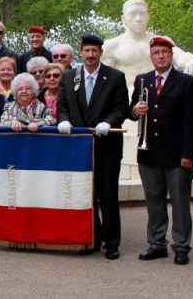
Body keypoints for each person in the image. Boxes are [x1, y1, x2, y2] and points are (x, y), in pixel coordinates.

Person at [56, 34, 129, 260]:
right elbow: (62, 104)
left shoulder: (115, 77)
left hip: (106, 146)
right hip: (79, 147)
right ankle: (91, 239)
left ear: (100, 53)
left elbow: (121, 107)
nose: (90, 55)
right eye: (86, 50)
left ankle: (112, 242)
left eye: (94, 51)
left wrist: (110, 121)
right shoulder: (69, 77)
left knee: (107, 196)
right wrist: (63, 119)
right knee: (85, 196)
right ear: (80, 52)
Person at [128, 37, 193, 265]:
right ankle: (157, 244)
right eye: (156, 52)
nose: (160, 56)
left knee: (180, 203)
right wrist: (134, 109)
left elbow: (191, 121)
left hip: (177, 154)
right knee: (154, 201)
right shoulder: (142, 80)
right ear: (151, 56)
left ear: (171, 55)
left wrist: (188, 154)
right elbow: (131, 111)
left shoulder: (186, 82)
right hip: (149, 153)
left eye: (165, 52)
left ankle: (181, 246)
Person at [102, 0, 193, 97]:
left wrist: (192, 59)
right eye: (132, 15)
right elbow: (105, 84)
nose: (138, 19)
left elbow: (180, 56)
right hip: (128, 104)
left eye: (142, 14)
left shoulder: (162, 42)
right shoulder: (112, 46)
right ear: (124, 19)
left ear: (147, 17)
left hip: (160, 102)